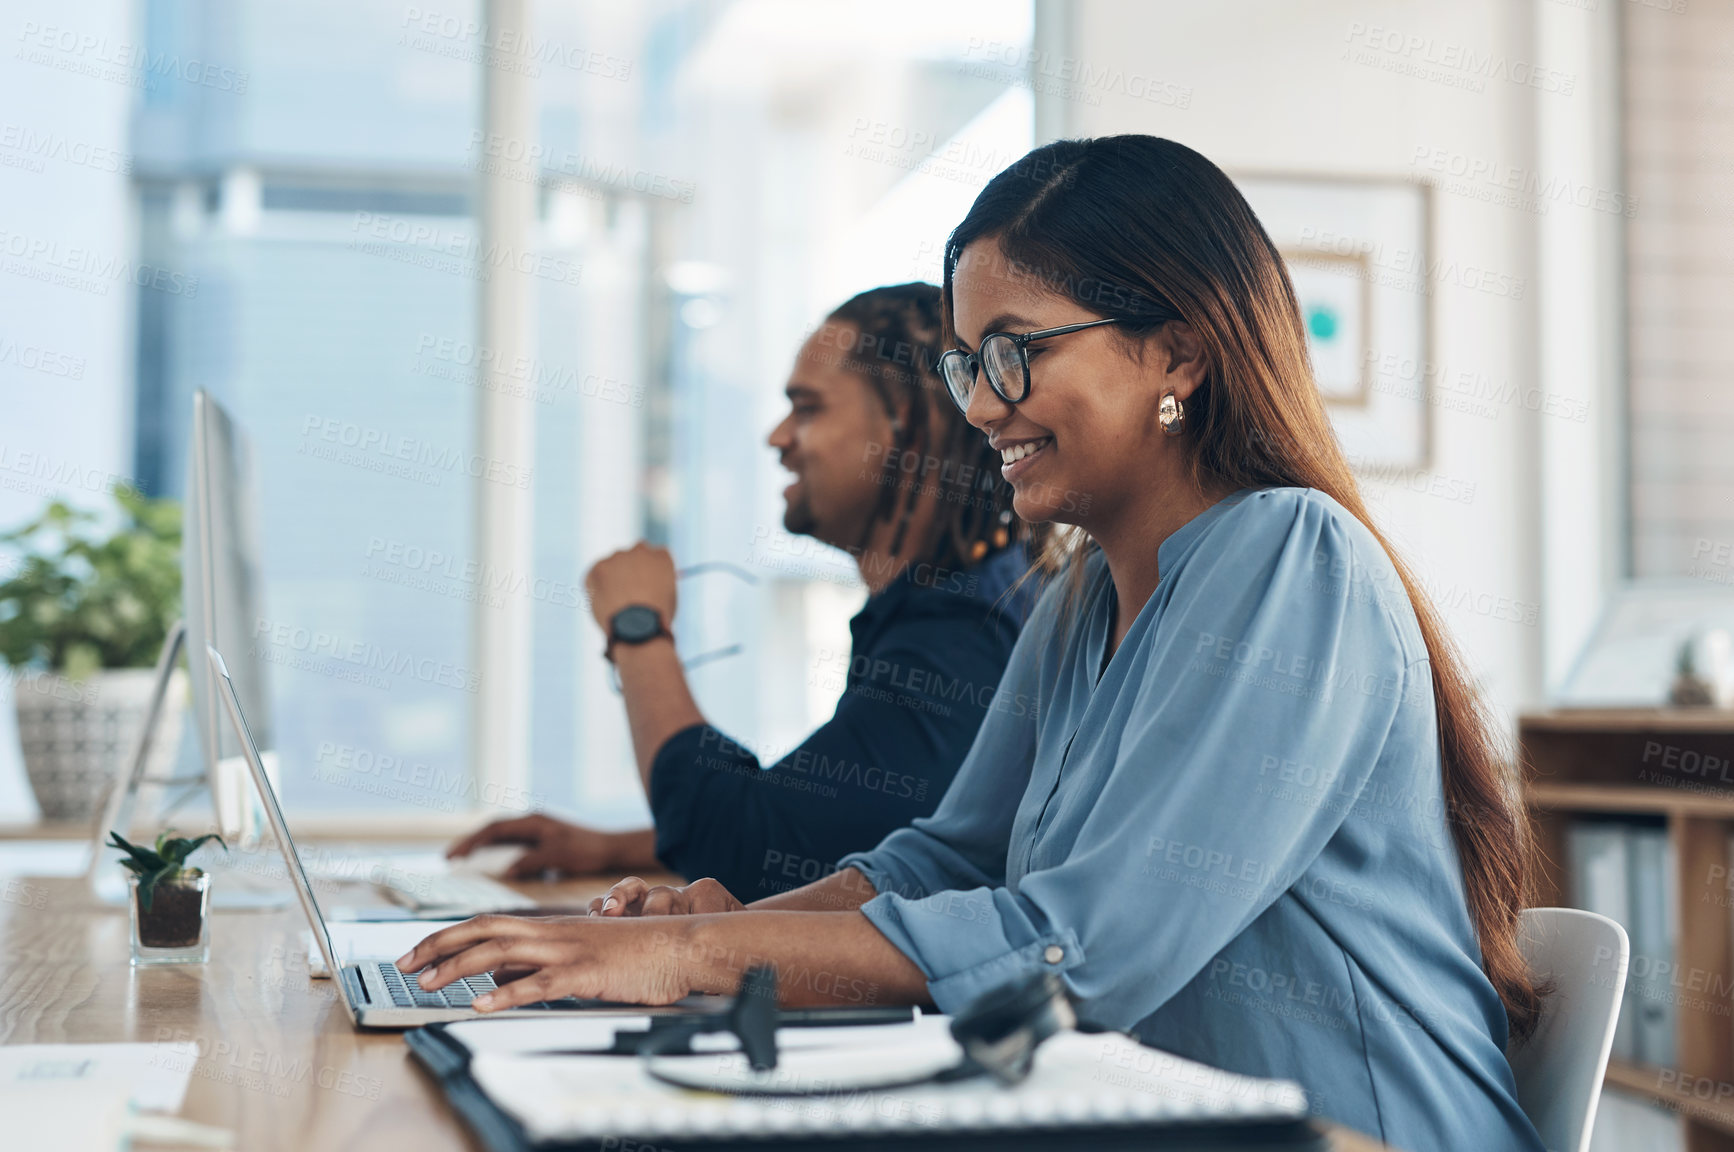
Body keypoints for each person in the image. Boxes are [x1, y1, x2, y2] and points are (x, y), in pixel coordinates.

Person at [400, 137, 1545, 1151]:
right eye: (966, 364)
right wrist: (722, 929)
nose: (983, 405)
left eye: (1014, 353)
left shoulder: (1294, 561)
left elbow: (1082, 951)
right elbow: (942, 863)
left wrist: (690, 959)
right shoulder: (1080, 601)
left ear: (1180, 356)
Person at [447, 283, 1046, 897]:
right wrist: (615, 847)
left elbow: (755, 855)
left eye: (808, 408)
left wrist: (639, 628)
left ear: (908, 432)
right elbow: (843, 830)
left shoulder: (960, 632)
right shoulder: (967, 601)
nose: (778, 437)